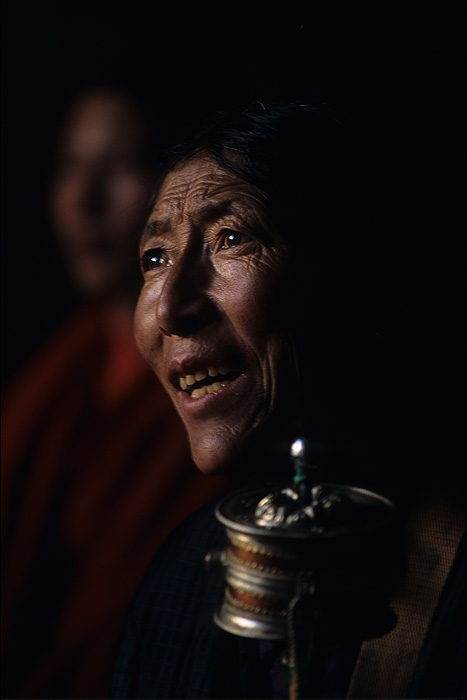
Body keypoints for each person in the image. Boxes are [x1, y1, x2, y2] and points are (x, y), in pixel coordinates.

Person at [111, 99, 465, 698]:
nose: (169, 309)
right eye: (155, 257)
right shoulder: (182, 576)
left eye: (231, 237)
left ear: (355, 276)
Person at [1, 88, 231, 699]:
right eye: (69, 168)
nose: (84, 200)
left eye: (120, 165)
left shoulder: (217, 396)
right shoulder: (53, 380)